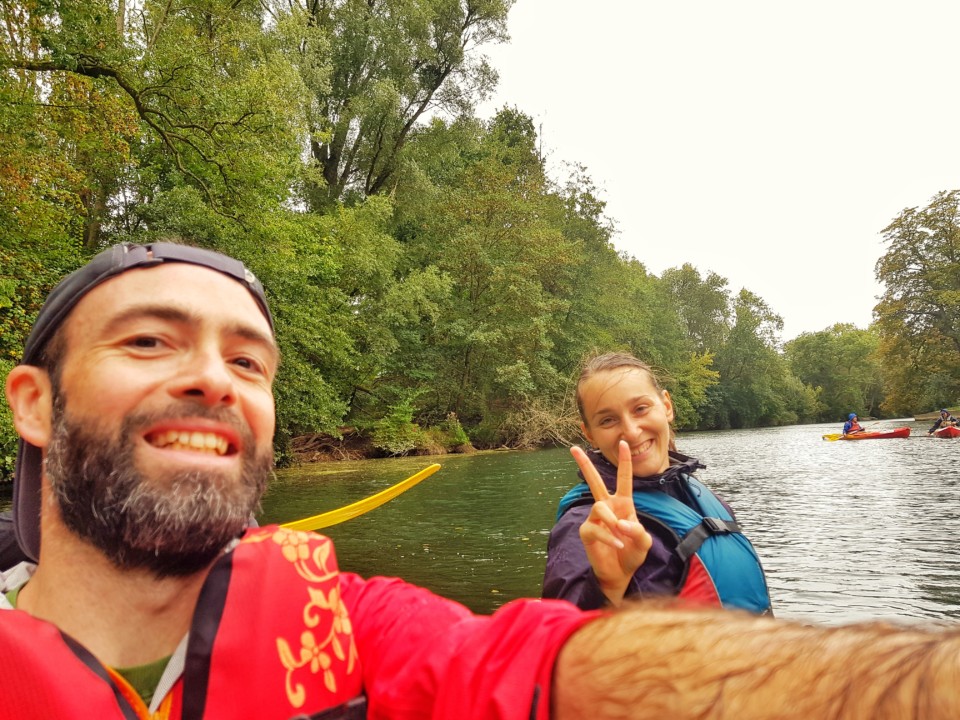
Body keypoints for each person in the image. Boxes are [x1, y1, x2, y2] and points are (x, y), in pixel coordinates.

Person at [4, 241, 960, 720]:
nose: (215, 376)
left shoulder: (348, 620)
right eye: (149, 341)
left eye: (250, 363)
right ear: (34, 404)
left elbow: (549, 668)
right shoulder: (580, 520)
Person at [542, 353, 771, 614]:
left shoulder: (697, 494)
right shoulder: (585, 524)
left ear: (667, 406)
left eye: (640, 409)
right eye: (607, 420)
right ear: (589, 434)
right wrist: (605, 589)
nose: (630, 431)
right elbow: (562, 639)